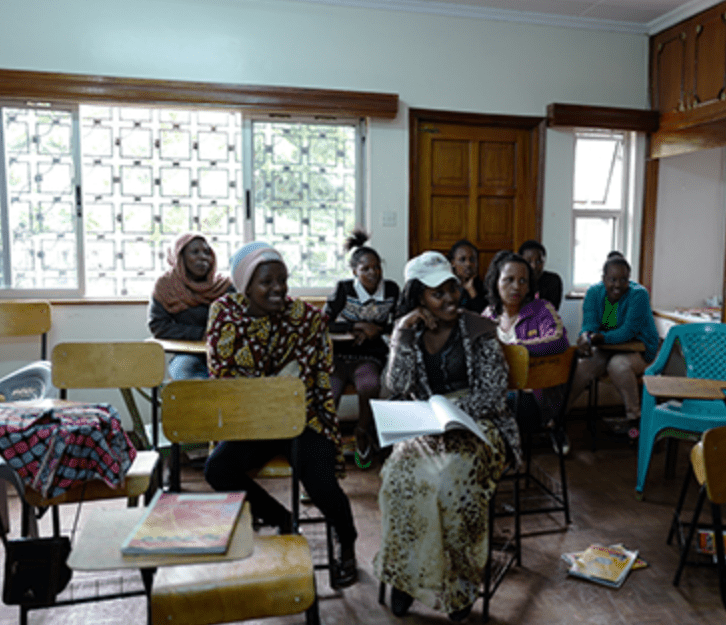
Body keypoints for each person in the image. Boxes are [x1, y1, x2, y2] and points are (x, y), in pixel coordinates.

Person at [374, 251, 519, 622]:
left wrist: (452, 413)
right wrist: (402, 334)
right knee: (398, 479)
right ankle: (407, 579)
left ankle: (460, 586)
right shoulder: (410, 332)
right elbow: (397, 386)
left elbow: (494, 395)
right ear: (418, 298)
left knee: (450, 484)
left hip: (480, 425)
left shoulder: (479, 329)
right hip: (425, 425)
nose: (451, 298)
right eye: (437, 293)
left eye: (452, 288)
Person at [203, 241, 358, 588]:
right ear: (245, 287)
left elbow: (316, 371)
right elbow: (224, 375)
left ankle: (346, 538)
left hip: (301, 417)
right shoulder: (225, 315)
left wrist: (283, 391)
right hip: (252, 420)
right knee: (218, 469)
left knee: (320, 483)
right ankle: (283, 520)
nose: (278, 289)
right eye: (267, 282)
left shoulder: (304, 318)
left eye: (283, 280)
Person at [323, 230, 400, 466]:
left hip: (369, 356)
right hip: (339, 356)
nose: (372, 273)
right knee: (330, 391)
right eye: (365, 268)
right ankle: (327, 442)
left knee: (369, 385)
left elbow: (399, 323)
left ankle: (362, 432)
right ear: (354, 271)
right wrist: (355, 326)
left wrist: (375, 330)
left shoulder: (391, 290)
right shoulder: (344, 289)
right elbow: (324, 322)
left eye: (376, 267)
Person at [567, 252, 659, 436]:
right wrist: (585, 336)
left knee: (618, 365)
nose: (618, 285)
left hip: (639, 349)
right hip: (608, 348)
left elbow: (627, 332)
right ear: (603, 279)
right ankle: (557, 417)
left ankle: (635, 419)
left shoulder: (639, 295)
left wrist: (598, 338)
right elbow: (589, 325)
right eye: (612, 280)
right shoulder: (594, 293)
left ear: (629, 279)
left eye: (623, 280)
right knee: (583, 366)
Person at [481, 250, 568, 440]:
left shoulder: (541, 309)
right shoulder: (488, 315)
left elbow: (560, 341)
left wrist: (517, 350)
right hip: (497, 392)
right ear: (496, 282)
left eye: (523, 281)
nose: (516, 287)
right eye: (509, 280)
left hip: (532, 395)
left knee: (499, 408)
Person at [148, 233, 233, 380]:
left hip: (225, 354)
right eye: (195, 252)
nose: (203, 257)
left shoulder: (224, 286)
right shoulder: (166, 286)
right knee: (187, 375)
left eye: (207, 252)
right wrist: (200, 334)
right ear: (180, 257)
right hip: (187, 354)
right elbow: (158, 326)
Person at [518, 239, 563, 311]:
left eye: (539, 261)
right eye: (528, 262)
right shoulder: (516, 282)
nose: (534, 266)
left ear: (544, 262)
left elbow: (551, 310)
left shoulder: (553, 281)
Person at [447, 239, 487, 313]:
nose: (468, 264)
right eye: (462, 260)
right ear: (453, 263)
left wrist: (471, 290)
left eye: (472, 260)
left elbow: (484, 314)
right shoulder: (447, 286)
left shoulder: (484, 287)